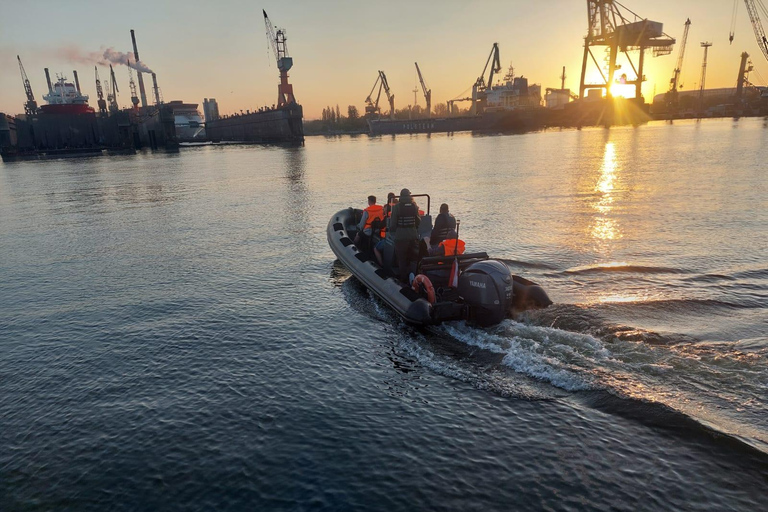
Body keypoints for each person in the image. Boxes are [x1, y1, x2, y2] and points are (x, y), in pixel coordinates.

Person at [390, 188, 421, 284]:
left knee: (402, 259)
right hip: (413, 236)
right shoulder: (414, 206)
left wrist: (393, 232)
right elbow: (418, 221)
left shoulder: (396, 207)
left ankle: (403, 280)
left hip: (401, 237)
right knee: (414, 258)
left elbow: (393, 224)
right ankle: (414, 277)